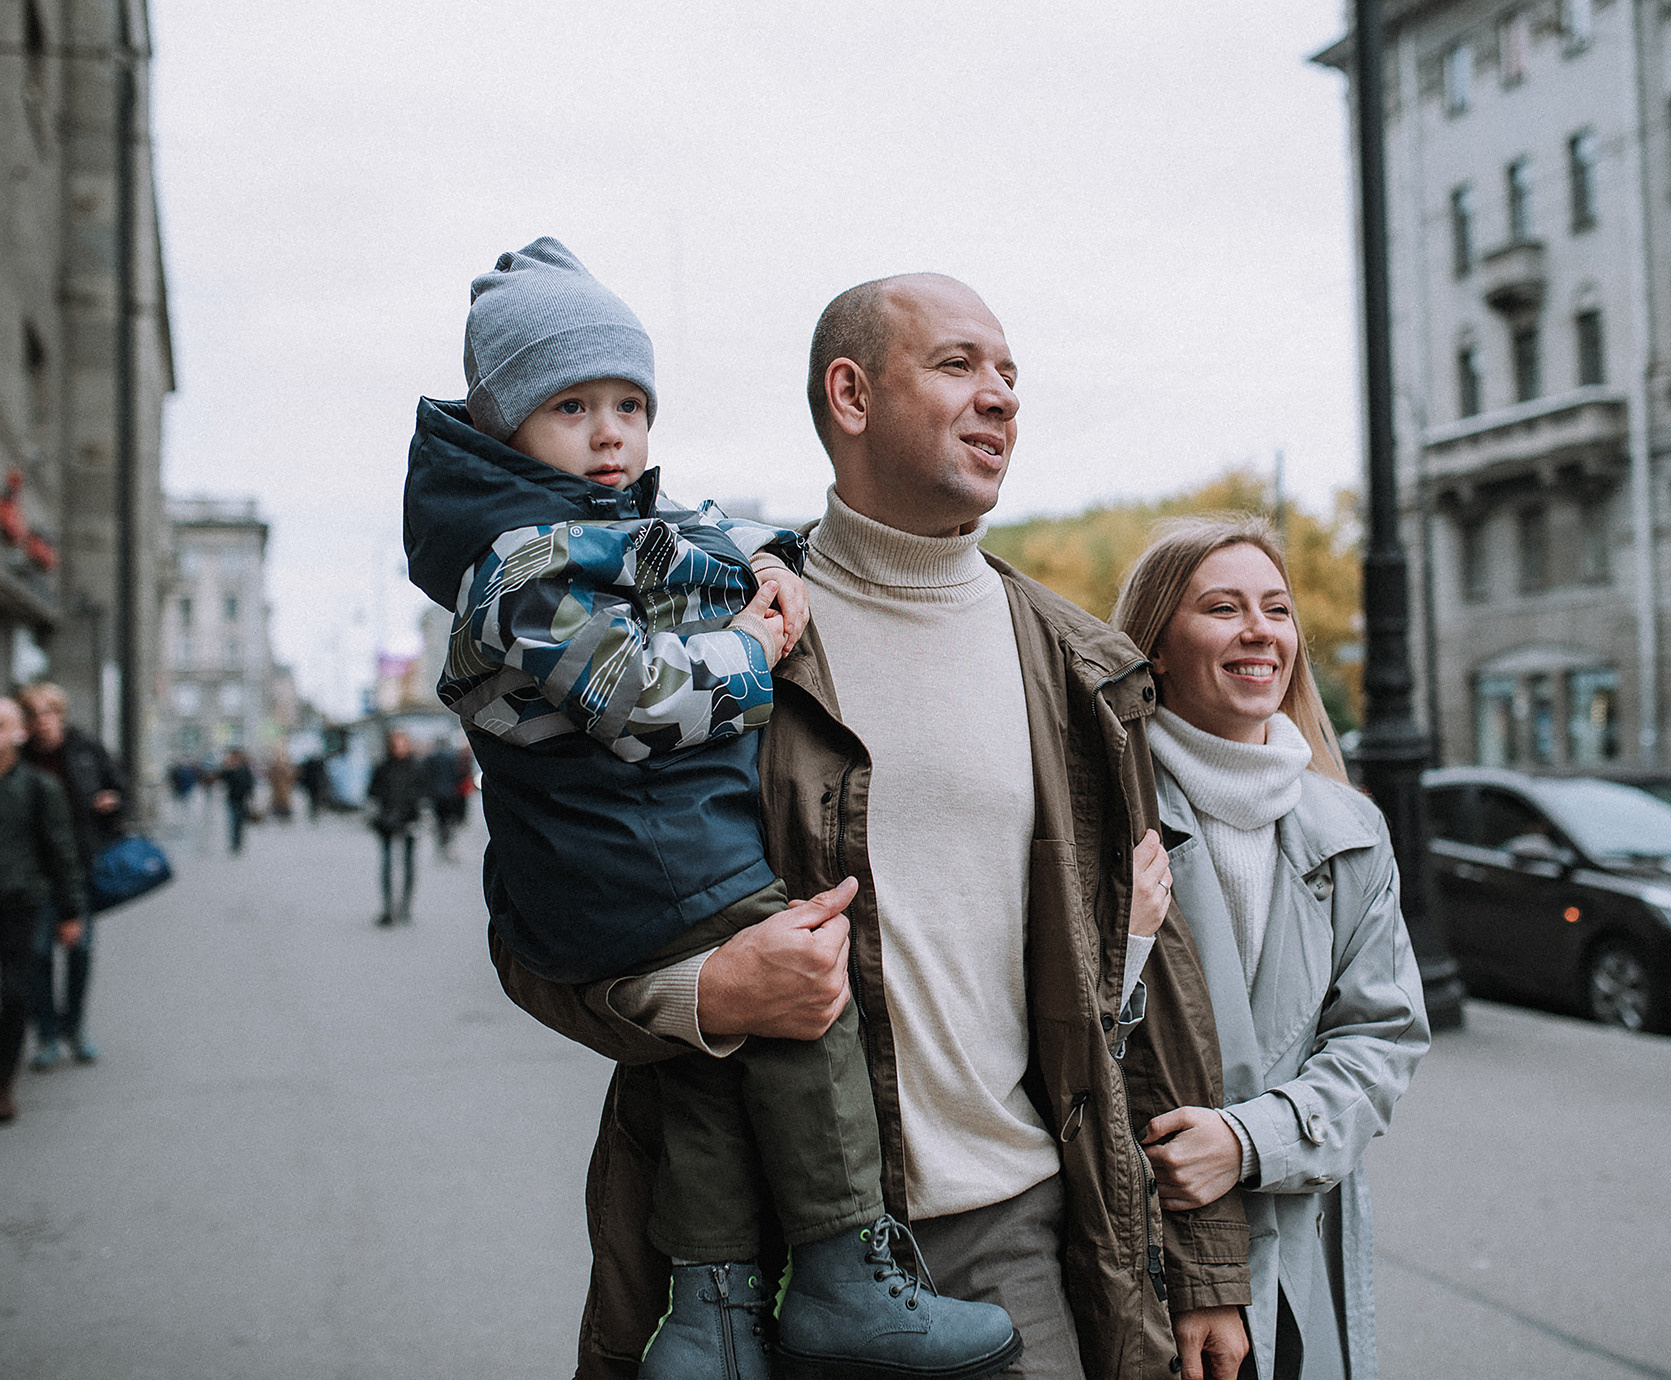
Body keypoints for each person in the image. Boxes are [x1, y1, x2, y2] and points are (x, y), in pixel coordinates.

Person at [483, 273, 1254, 1380]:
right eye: (956, 366)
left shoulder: (1079, 667)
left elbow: (1155, 987)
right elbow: (542, 922)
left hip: (1021, 1230)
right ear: (849, 394)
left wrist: (1206, 1269)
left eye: (1008, 375)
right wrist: (700, 998)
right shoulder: (699, 641)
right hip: (765, 1261)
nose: (998, 397)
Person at [405, 242, 1022, 1380]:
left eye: (630, 406)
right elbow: (635, 698)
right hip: (638, 859)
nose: (609, 436)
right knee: (797, 1005)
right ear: (501, 430)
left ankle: (712, 1312)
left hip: (649, 871)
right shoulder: (516, 566)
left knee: (710, 1070)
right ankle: (837, 1265)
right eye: (570, 406)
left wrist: (774, 558)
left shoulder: (605, 532)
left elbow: (702, 536)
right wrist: (749, 646)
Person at [1111, 518, 1429, 1380]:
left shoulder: (1350, 828)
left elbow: (1382, 1040)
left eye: (1278, 610)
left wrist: (1250, 1141)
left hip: (1298, 1242)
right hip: (1135, 1250)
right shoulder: (1101, 815)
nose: (1261, 631)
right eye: (1223, 607)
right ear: (1158, 649)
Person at [17, 682, 126, 1069]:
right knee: (38, 955)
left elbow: (119, 787)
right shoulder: (19, 758)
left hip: (79, 866)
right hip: (32, 872)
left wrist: (109, 803)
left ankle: (74, 1027)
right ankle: (47, 1035)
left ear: (60, 715)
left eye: (48, 713)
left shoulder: (84, 748)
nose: (41, 722)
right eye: (33, 715)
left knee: (78, 949)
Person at [0, 696, 87, 1124]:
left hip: (20, 903)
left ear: (18, 733)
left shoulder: (39, 787)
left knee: (14, 994)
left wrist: (72, 911)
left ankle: (4, 1083)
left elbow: (61, 851)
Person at [365, 730, 429, 926]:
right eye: (395, 744)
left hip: (410, 822)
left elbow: (424, 793)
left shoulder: (416, 767)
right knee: (386, 865)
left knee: (409, 865)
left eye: (402, 743)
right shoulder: (382, 767)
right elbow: (372, 792)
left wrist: (417, 811)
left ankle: (405, 908)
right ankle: (388, 909)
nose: (398, 747)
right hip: (386, 822)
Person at [422, 738, 467, 861]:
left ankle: (441, 845)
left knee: (440, 822)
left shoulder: (431, 758)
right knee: (450, 822)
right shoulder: (453, 758)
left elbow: (427, 776)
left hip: (437, 795)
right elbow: (458, 776)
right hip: (451, 795)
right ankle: (448, 846)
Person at [219, 749, 257, 854]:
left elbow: (249, 784)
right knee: (232, 822)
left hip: (242, 800)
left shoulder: (245, 769)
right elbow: (221, 779)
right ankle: (234, 843)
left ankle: (238, 843)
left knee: (239, 823)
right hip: (231, 799)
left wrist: (251, 798)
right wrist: (227, 768)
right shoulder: (228, 770)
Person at [266, 746, 297, 822]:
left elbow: (292, 777)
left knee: (284, 801)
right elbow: (270, 776)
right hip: (278, 790)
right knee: (279, 801)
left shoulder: (287, 767)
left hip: (284, 789)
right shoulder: (274, 768)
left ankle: (284, 814)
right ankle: (280, 813)